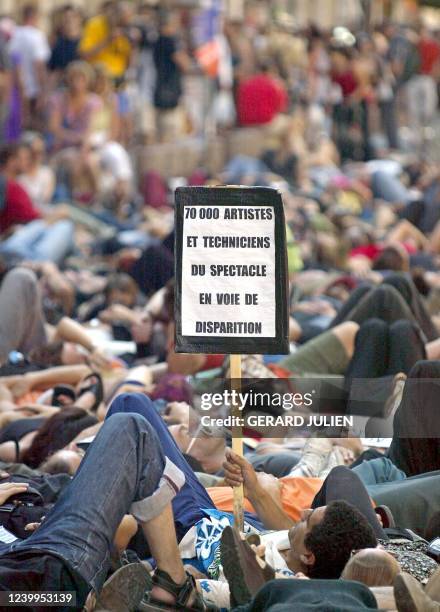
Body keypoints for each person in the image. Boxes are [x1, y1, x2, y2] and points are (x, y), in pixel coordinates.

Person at [0, 411, 208, 612]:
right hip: (44, 575)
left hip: (40, 557)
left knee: (131, 416)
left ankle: (86, 597)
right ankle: (174, 585)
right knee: (132, 427)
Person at [8, 4, 50, 129]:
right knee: (31, 128)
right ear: (34, 17)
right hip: (32, 89)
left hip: (14, 89)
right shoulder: (37, 36)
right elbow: (39, 65)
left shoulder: (13, 34)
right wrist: (43, 91)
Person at [153, 10, 191, 143]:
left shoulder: (157, 40)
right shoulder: (168, 41)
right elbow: (184, 63)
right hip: (169, 91)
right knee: (171, 131)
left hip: (161, 89)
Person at [78, 1, 133, 81]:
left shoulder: (126, 29)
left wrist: (134, 46)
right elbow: (84, 55)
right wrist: (108, 39)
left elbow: (130, 64)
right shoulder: (94, 24)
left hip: (118, 78)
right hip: (97, 77)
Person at [236, 60, 288, 127]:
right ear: (271, 71)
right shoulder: (275, 84)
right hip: (266, 125)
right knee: (290, 122)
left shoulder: (245, 84)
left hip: (246, 125)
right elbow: (281, 108)